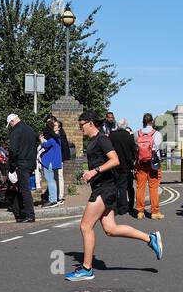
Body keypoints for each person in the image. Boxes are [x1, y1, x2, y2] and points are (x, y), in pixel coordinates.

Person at [66, 110, 163, 281]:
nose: (80, 129)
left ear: (90, 123)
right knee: (111, 229)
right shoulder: (96, 140)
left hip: (104, 189)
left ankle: (87, 269)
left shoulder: (102, 139)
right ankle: (150, 238)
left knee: (85, 226)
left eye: (81, 125)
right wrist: (91, 173)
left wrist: (94, 171)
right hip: (105, 188)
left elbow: (115, 160)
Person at [6, 113, 37, 223]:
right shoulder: (30, 129)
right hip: (30, 163)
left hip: (21, 163)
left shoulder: (15, 131)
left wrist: (12, 166)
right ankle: (19, 212)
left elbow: (13, 150)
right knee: (21, 189)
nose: (10, 126)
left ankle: (29, 214)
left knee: (24, 190)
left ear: (12, 122)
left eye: (10, 124)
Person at [134, 113, 163, 219]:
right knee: (153, 188)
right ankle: (155, 212)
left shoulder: (136, 134)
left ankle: (140, 212)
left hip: (140, 164)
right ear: (152, 121)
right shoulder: (157, 134)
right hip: (153, 164)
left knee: (140, 188)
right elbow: (157, 148)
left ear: (143, 121)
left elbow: (136, 149)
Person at [110, 118, 138, 217]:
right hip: (127, 165)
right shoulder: (128, 136)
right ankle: (126, 207)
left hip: (114, 165)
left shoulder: (112, 135)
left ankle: (117, 207)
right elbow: (134, 151)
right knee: (126, 187)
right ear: (126, 125)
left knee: (116, 187)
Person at [38, 129, 62, 207]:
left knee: (50, 180)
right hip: (53, 162)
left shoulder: (51, 140)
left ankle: (52, 200)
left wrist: (41, 139)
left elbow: (45, 145)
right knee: (52, 180)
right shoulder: (57, 139)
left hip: (49, 162)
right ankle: (53, 199)